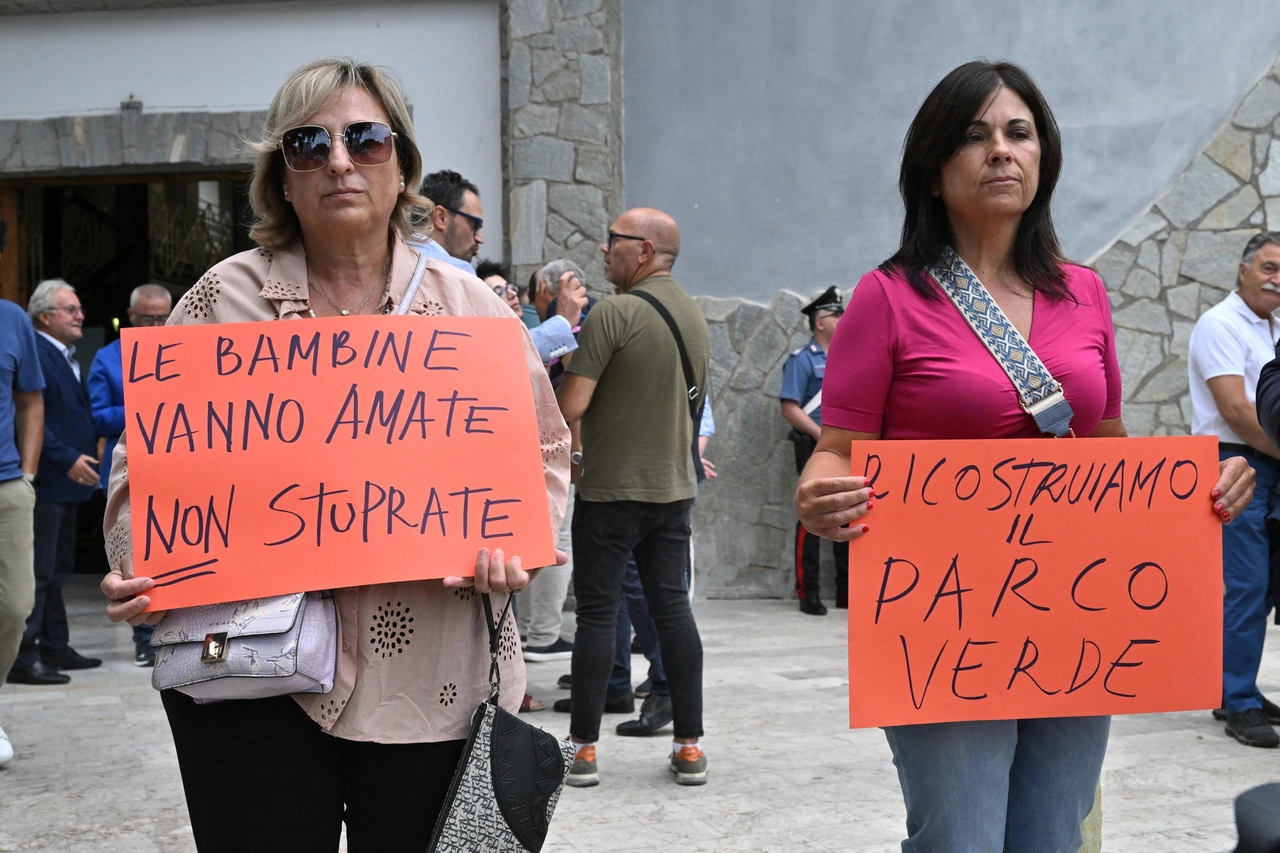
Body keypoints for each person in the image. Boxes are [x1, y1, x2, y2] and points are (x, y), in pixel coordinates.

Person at [99, 58, 570, 851]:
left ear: (403, 164)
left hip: (433, 677)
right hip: (248, 677)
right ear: (281, 176)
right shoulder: (219, 302)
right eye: (308, 144)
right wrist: (137, 560)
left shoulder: (472, 314)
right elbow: (142, 473)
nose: (340, 161)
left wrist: (518, 539)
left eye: (366, 139)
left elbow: (547, 452)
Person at [794, 60, 1256, 851]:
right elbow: (836, 451)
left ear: (1043, 160)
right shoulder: (889, 296)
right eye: (974, 137)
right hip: (941, 622)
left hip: (1076, 619)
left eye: (1018, 133)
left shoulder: (1086, 292)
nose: (1001, 151)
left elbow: (1106, 449)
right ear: (934, 171)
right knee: (961, 838)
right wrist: (823, 493)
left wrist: (1195, 484)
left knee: (1052, 835)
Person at [557, 207, 711, 787]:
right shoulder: (694, 316)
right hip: (673, 491)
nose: (603, 250)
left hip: (610, 493)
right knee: (673, 610)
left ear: (643, 251)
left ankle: (583, 752)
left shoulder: (614, 313)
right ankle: (690, 747)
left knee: (598, 615)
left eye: (614, 241)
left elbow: (571, 406)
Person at [1189, 230, 1280, 748]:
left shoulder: (1273, 328)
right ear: (1243, 271)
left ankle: (1237, 687)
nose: (1276, 279)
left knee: (1265, 586)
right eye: (1268, 267)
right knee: (1244, 585)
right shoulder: (1219, 323)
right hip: (1234, 461)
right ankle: (1238, 700)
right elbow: (1238, 411)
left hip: (1270, 463)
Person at [9, 280, 101, 686]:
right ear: (45, 316)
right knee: (39, 572)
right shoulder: (39, 352)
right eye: (70, 309)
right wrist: (65, 457)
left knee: (59, 567)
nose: (80, 316)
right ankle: (24, 654)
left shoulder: (65, 354)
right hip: (48, 479)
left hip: (68, 482)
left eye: (79, 308)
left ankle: (55, 645)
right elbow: (30, 414)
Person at [87, 283, 172, 667]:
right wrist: (145, 405)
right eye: (147, 318)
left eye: (162, 318)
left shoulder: (183, 349)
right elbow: (98, 414)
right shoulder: (106, 359)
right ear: (131, 316)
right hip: (130, 467)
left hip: (174, 465)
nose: (155, 325)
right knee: (137, 554)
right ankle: (143, 638)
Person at [0, 216, 45, 766]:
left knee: (15, 606)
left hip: (8, 484)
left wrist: (28, 472)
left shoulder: (12, 319)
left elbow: (32, 398)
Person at [780, 285, 847, 616]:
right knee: (812, 516)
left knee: (848, 510)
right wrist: (823, 436)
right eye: (837, 315)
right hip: (815, 444)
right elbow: (790, 407)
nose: (842, 319)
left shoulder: (849, 357)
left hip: (846, 446)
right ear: (820, 322)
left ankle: (847, 590)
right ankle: (809, 592)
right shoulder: (802, 360)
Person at [411, 169, 484, 273]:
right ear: (441, 217)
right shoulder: (459, 271)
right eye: (475, 224)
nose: (480, 238)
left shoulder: (388, 257)